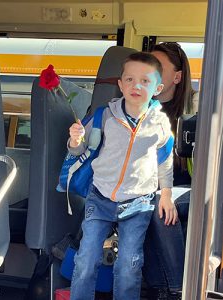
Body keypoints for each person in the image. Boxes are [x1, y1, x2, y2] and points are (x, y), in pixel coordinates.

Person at [68, 52, 177, 300]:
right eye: (129, 79)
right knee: (86, 259)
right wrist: (74, 140)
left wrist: (167, 195)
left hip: (138, 201)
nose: (135, 86)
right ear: (120, 84)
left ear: (158, 88)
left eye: (145, 81)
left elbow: (165, 160)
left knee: (129, 264)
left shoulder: (160, 124)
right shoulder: (105, 115)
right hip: (101, 195)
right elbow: (80, 149)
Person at [143, 42, 199, 300]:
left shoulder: (195, 110)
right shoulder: (138, 110)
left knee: (157, 201)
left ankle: (179, 289)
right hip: (153, 190)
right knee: (141, 203)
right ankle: (159, 290)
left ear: (177, 77)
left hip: (193, 191)